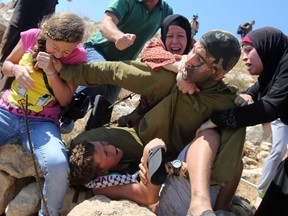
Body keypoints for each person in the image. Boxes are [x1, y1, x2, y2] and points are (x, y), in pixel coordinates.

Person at [50, 29, 245, 215]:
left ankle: (217, 209)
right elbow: (115, 71)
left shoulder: (224, 102)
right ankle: (112, 179)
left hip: (181, 158)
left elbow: (230, 158)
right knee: (81, 147)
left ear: (218, 73)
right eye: (194, 49)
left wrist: (188, 173)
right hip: (139, 138)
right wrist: (66, 72)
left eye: (201, 59)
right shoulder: (168, 77)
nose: (190, 59)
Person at [0, 12, 86, 216]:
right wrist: (17, 70)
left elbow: (65, 99)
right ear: (46, 34)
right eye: (54, 47)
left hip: (42, 123)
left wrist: (52, 73)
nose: (58, 54)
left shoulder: (78, 56)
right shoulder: (31, 35)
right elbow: (6, 65)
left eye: (66, 51)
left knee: (57, 165)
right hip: (7, 111)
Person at [197, 27, 288, 213]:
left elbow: (269, 108)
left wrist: (217, 120)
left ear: (266, 47)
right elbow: (253, 91)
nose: (244, 57)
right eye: (243, 51)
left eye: (249, 50)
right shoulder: (273, 71)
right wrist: (246, 95)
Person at [60, 0, 173, 133]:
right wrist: (118, 37)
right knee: (98, 72)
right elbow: (107, 23)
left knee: (105, 106)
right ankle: (65, 116)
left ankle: (91, 140)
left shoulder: (165, 11)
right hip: (99, 49)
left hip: (122, 63)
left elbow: (171, 35)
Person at [0, 0, 72, 91]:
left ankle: (7, 91)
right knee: (8, 55)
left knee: (28, 59)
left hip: (43, 15)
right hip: (25, 14)